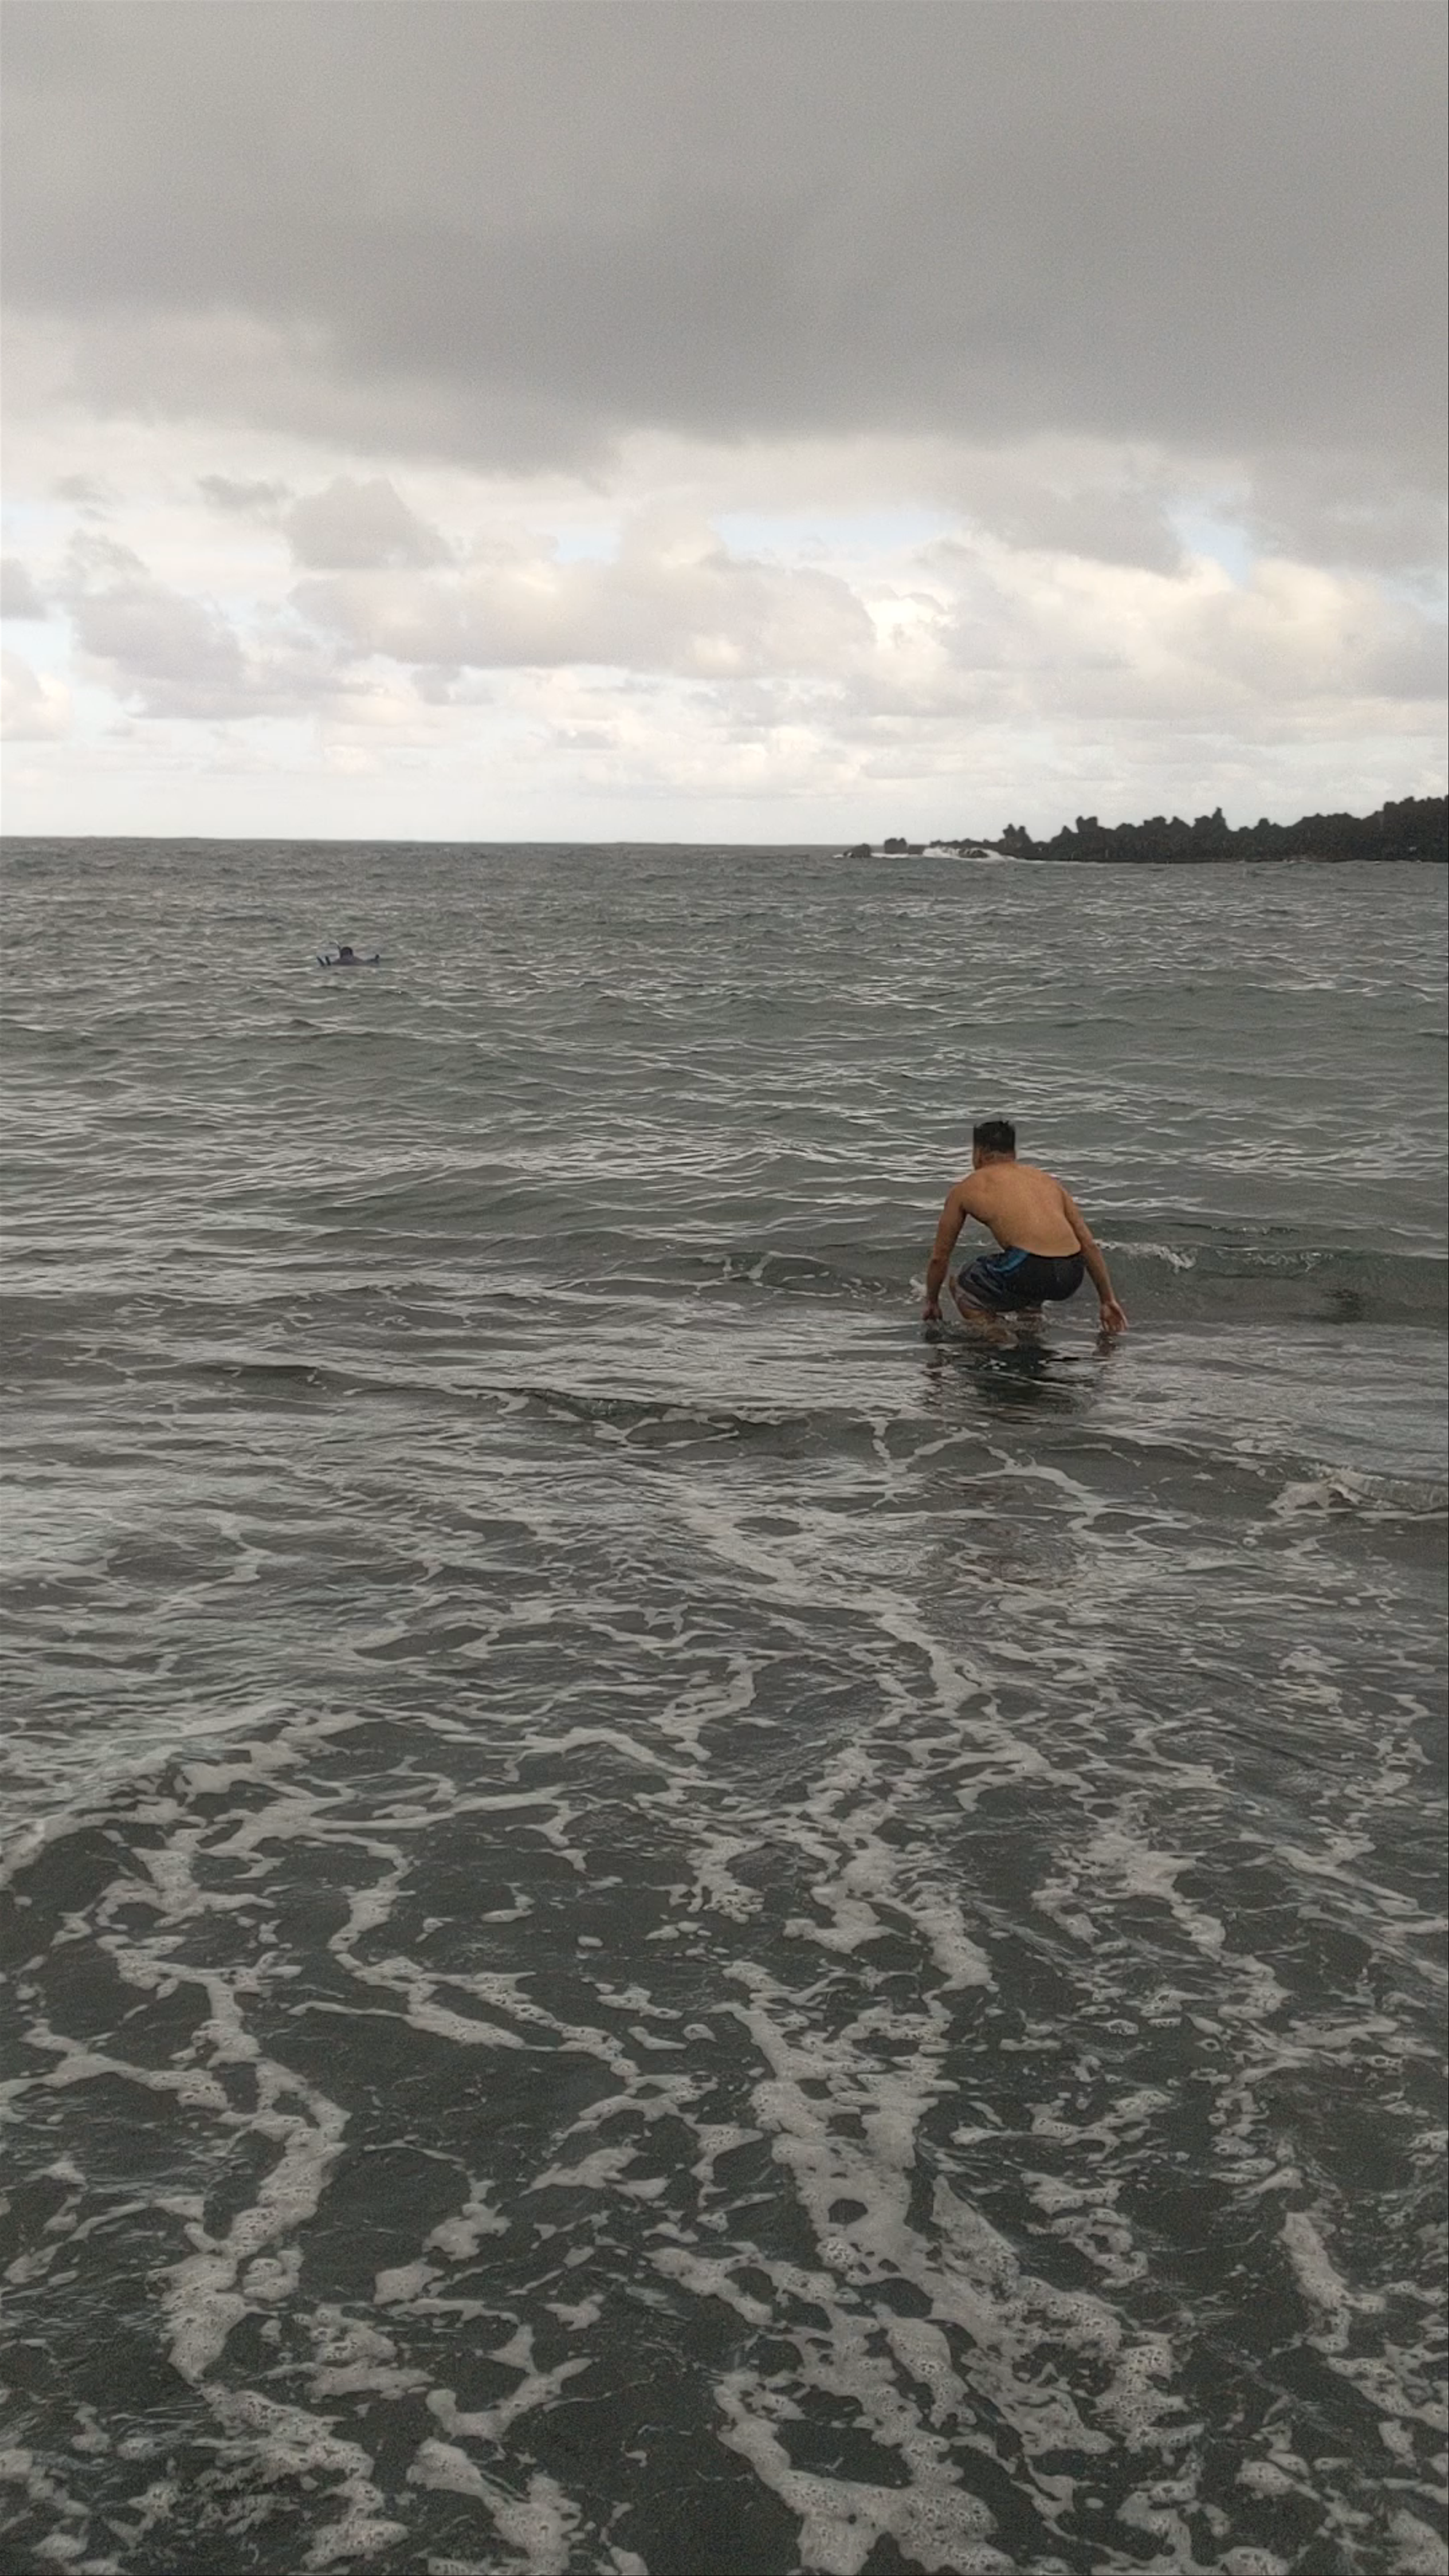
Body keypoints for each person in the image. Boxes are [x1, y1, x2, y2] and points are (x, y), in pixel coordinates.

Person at [922, 1118, 1128, 1335]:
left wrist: (932, 1302)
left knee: (964, 1283)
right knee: (1024, 1275)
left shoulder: (967, 1188)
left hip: (1030, 1268)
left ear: (979, 1153)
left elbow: (940, 1257)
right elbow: (1087, 1244)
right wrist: (1107, 1300)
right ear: (1013, 1152)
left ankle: (997, 1337)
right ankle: (1031, 1337)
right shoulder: (1047, 1181)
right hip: (1071, 1271)